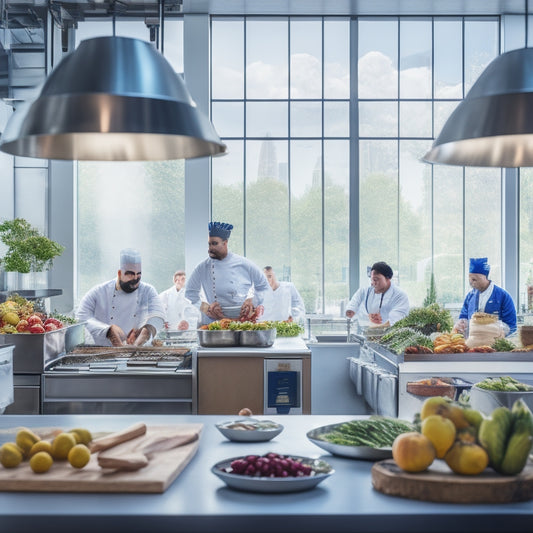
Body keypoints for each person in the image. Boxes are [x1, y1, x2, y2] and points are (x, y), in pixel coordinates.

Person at [76, 248, 166, 346]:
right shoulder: (99, 292)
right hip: (106, 352)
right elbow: (81, 318)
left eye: (138, 274)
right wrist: (107, 331)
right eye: (130, 274)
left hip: (139, 352)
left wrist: (146, 331)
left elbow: (158, 315)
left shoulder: (148, 290)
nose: (135, 279)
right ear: (119, 273)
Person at [185, 221, 270, 324]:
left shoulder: (244, 264)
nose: (210, 248)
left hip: (242, 321)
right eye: (209, 244)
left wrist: (253, 301)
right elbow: (190, 293)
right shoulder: (202, 267)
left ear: (225, 243)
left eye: (215, 244)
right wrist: (206, 309)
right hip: (213, 323)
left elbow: (264, 286)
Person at [455, 257, 517, 335]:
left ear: (485, 277)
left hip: (495, 343)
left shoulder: (503, 296)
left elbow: (511, 326)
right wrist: (461, 324)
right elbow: (463, 317)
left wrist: (495, 329)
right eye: (470, 279)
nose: (471, 282)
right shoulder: (470, 297)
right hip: (472, 343)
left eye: (474, 279)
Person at [345, 261, 409, 327]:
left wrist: (378, 327)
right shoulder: (365, 291)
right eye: (372, 280)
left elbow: (397, 319)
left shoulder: (400, 296)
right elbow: (354, 302)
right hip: (370, 333)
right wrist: (351, 310)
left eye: (376, 279)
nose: (372, 283)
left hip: (391, 334)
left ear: (387, 278)